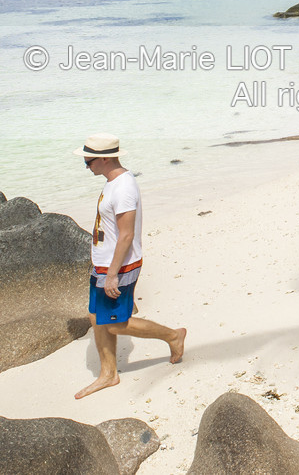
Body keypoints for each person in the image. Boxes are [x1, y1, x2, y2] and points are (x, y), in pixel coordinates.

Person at [73, 134, 186, 399]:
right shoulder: (113, 182)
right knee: (95, 316)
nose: (86, 166)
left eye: (88, 162)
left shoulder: (123, 188)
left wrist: (112, 274)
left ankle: (172, 336)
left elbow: (126, 235)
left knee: (115, 324)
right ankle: (109, 374)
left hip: (119, 266)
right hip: (103, 263)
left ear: (104, 159)